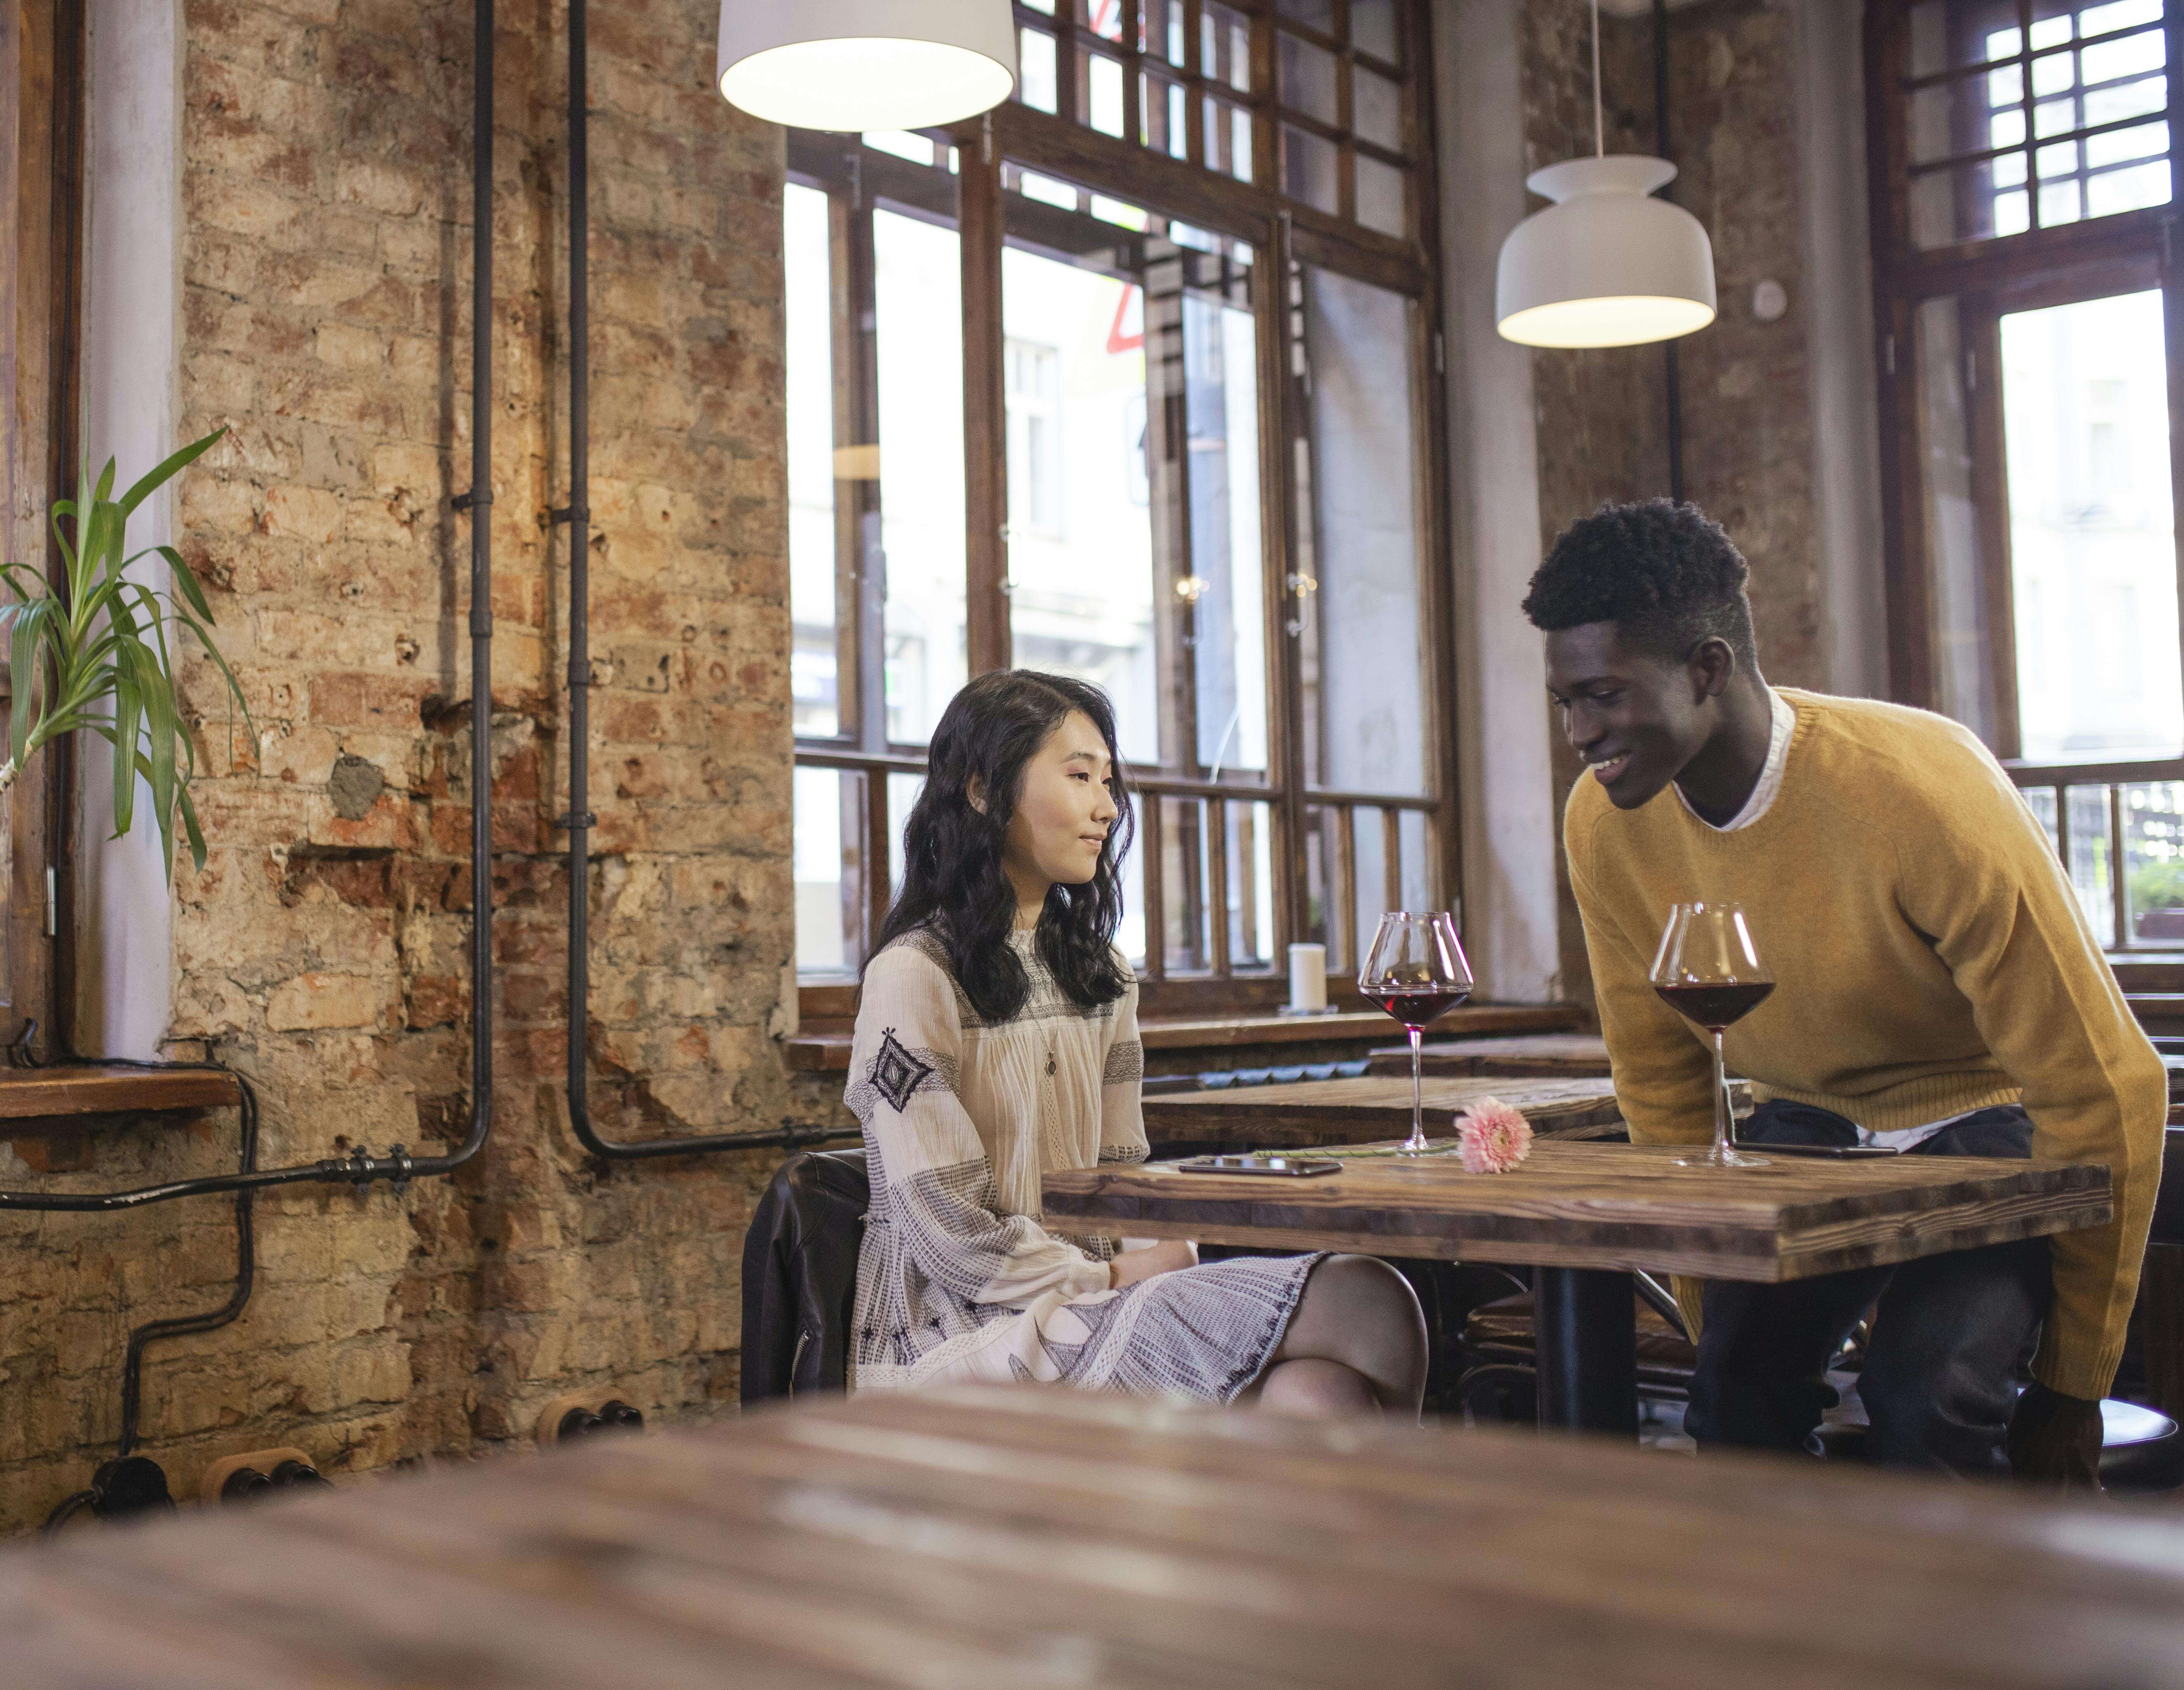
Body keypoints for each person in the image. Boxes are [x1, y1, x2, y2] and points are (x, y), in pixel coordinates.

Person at [1526, 498, 2165, 1487]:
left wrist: (2073, 1388)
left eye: (1602, 695)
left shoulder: (1920, 790)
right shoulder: (1604, 825)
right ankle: (1787, 1635)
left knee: (1927, 1394)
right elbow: (1660, 1079)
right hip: (1807, 1125)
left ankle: (1951, 1643)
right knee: (1735, 1399)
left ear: (1707, 668)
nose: (1579, 733)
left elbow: (2106, 1084)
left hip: (1989, 1123)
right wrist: (1720, 1307)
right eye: (1565, 702)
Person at [844, 669, 1427, 1413]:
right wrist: (1118, 1278)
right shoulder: (912, 976)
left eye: (1109, 782)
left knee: (1320, 1394)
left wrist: (1138, 1262)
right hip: (953, 1331)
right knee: (1367, 1298)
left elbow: (1119, 1177)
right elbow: (953, 1238)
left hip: (1089, 1302)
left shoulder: (1102, 976)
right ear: (982, 791)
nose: (1106, 809)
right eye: (1080, 776)